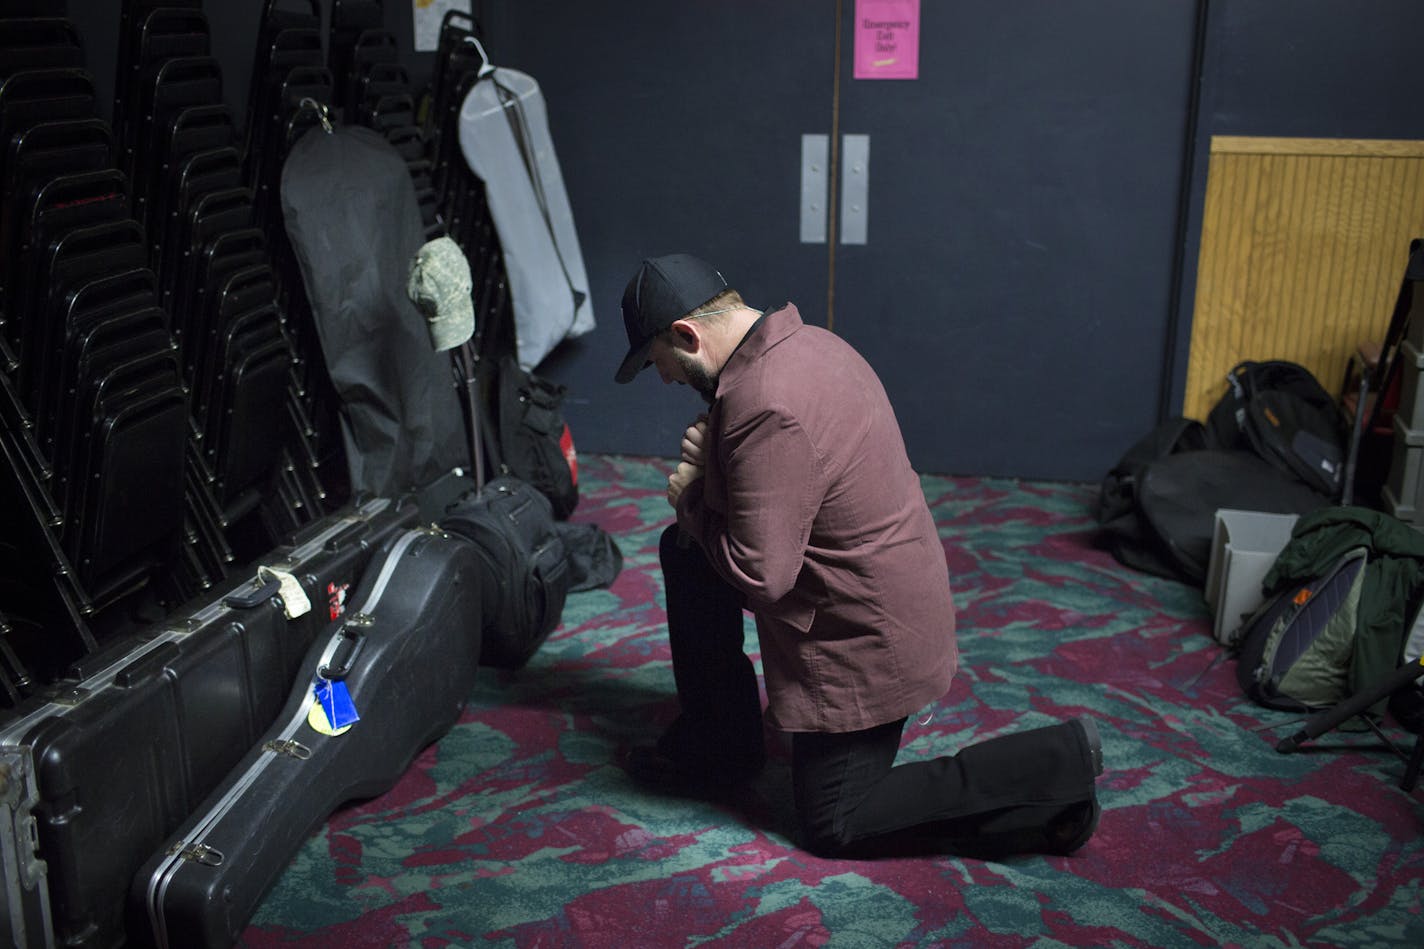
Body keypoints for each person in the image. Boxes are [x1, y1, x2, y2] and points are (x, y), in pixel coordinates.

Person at [613, 252, 1103, 858]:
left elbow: (760, 575)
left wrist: (690, 495)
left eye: (662, 363)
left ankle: (1055, 765)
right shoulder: (805, 344)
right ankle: (721, 744)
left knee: (836, 821)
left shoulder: (765, 403)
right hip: (884, 590)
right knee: (687, 554)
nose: (665, 379)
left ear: (687, 333)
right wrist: (711, 474)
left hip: (866, 642)